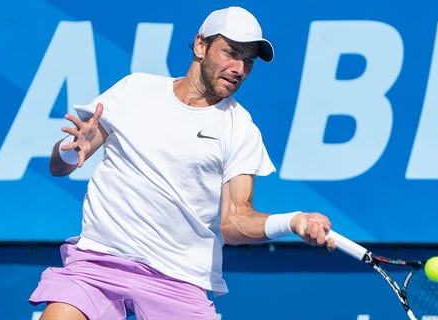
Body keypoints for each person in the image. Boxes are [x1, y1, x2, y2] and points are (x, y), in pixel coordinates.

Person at [29, 6, 336, 320]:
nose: (238, 69)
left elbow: (234, 222)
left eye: (248, 61)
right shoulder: (135, 89)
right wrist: (71, 150)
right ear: (201, 45)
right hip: (99, 263)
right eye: (231, 53)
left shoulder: (240, 128)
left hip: (178, 279)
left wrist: (294, 220)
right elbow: (60, 166)